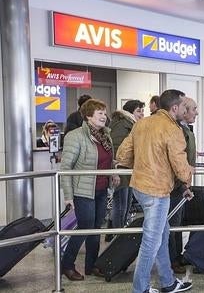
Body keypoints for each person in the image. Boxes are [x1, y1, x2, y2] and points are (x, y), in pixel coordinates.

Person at [116, 89, 194, 293]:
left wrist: (144, 163)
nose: (186, 110)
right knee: (151, 242)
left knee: (161, 233)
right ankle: (140, 289)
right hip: (157, 192)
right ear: (174, 108)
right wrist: (188, 177)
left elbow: (122, 155)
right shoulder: (172, 129)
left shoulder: (141, 123)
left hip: (139, 188)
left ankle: (167, 282)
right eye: (184, 107)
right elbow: (180, 167)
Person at [60, 99, 120, 281]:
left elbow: (107, 161)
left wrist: (114, 172)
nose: (104, 116)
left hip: (102, 189)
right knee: (85, 228)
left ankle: (91, 265)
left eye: (104, 112)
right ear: (88, 116)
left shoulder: (106, 136)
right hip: (83, 191)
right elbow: (65, 167)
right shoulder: (75, 136)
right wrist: (68, 196)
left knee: (95, 229)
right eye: (99, 113)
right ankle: (67, 265)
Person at [106, 99, 145, 242]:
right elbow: (114, 148)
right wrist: (114, 170)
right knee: (121, 205)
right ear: (130, 111)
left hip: (127, 171)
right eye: (139, 111)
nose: (142, 114)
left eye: (142, 111)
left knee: (125, 204)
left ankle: (118, 234)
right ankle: (118, 238)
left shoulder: (129, 123)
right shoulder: (123, 124)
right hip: (121, 171)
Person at [169, 97, 199, 274]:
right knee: (173, 225)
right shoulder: (176, 130)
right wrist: (183, 185)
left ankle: (176, 257)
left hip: (182, 184)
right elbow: (177, 162)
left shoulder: (185, 129)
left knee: (178, 223)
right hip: (176, 186)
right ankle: (172, 260)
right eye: (194, 109)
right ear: (184, 110)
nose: (197, 112)